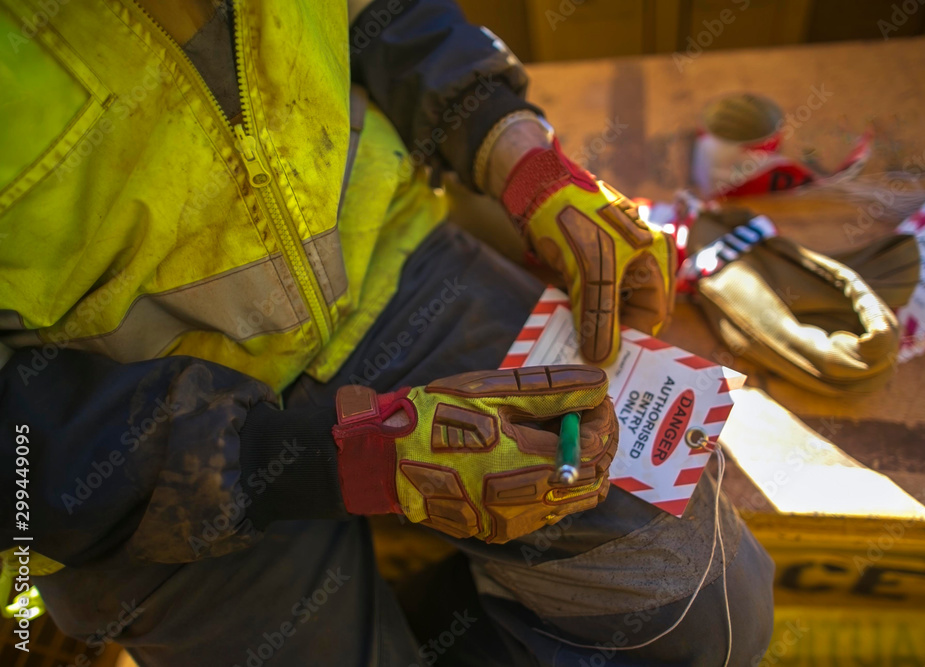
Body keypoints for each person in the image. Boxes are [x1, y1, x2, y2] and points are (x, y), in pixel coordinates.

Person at [0, 0, 774, 664]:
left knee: (703, 611)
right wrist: (332, 462)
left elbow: (383, 12)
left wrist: (517, 154)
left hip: (388, 272)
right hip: (129, 461)